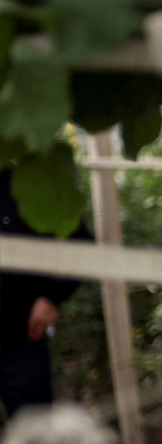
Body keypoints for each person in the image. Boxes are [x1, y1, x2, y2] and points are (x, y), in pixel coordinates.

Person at [0, 167, 91, 423]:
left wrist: (52, 296)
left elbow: (80, 244)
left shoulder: (27, 182)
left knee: (37, 439)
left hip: (19, 338)